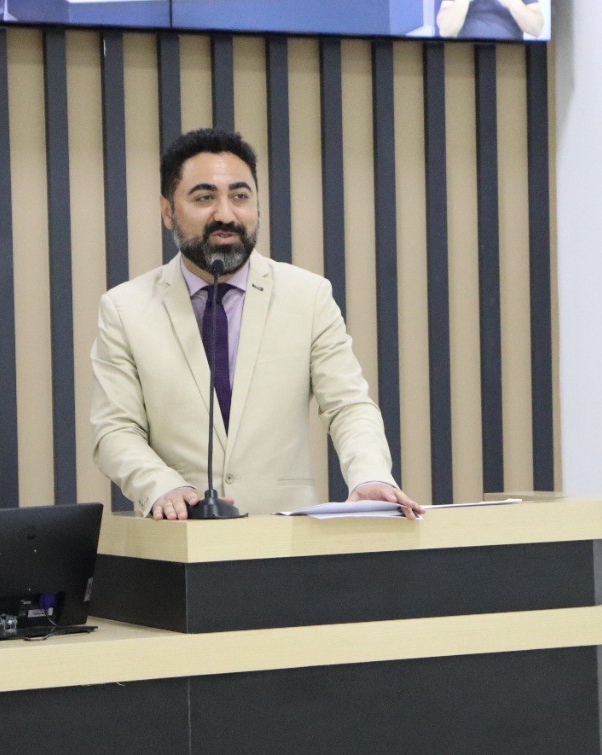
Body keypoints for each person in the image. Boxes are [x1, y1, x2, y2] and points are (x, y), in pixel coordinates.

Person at [91, 128, 423, 521]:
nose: (225, 214)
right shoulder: (125, 309)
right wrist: (162, 486)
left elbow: (347, 405)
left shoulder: (308, 296)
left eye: (240, 196)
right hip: (181, 535)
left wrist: (369, 475)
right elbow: (115, 430)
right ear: (168, 211)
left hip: (285, 539)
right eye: (204, 198)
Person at [436, 0, 544, 40]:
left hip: (511, 55)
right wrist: (462, 2)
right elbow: (445, 31)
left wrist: (513, 3)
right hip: (466, 54)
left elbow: (536, 29)